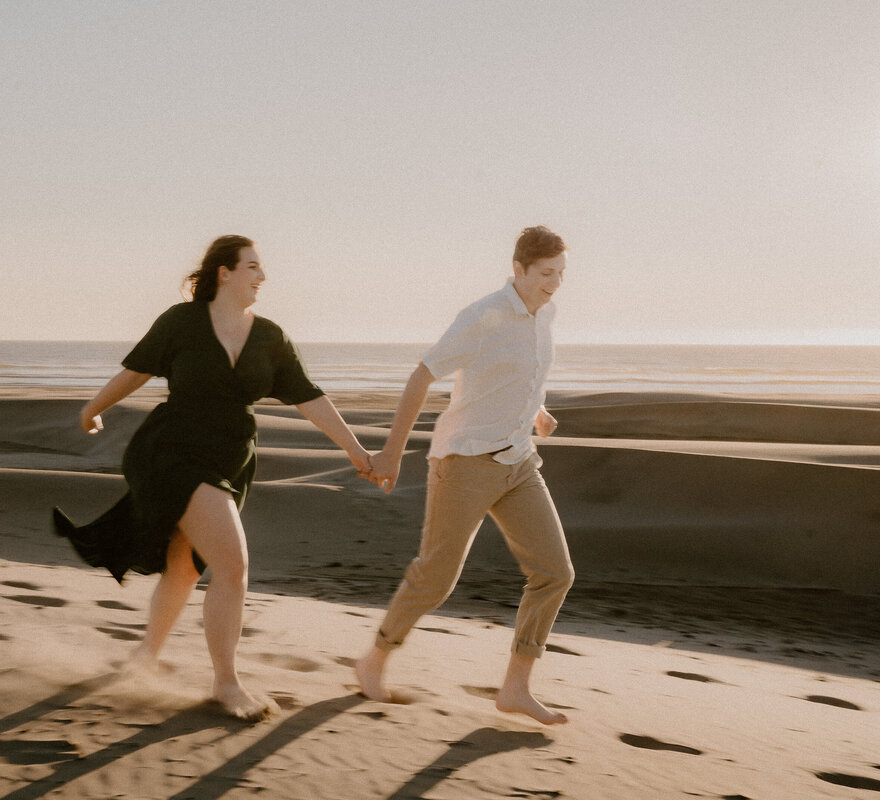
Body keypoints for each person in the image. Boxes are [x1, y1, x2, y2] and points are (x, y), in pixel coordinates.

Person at [53, 235, 373, 722]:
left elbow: (309, 397)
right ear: (224, 272)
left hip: (230, 460)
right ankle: (227, 682)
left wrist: (356, 450)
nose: (262, 276)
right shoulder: (180, 322)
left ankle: (144, 658)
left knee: (185, 566)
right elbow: (137, 372)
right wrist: (93, 409)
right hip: (171, 451)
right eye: (253, 266)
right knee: (233, 566)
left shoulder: (270, 335)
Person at [355, 225, 574, 725]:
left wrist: (536, 411)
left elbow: (519, 371)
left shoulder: (548, 312)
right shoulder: (482, 316)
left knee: (555, 573)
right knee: (436, 577)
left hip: (518, 461)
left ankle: (516, 687)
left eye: (562, 273)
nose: (555, 283)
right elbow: (421, 376)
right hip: (465, 463)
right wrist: (391, 454)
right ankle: (374, 660)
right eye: (546, 273)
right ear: (517, 269)